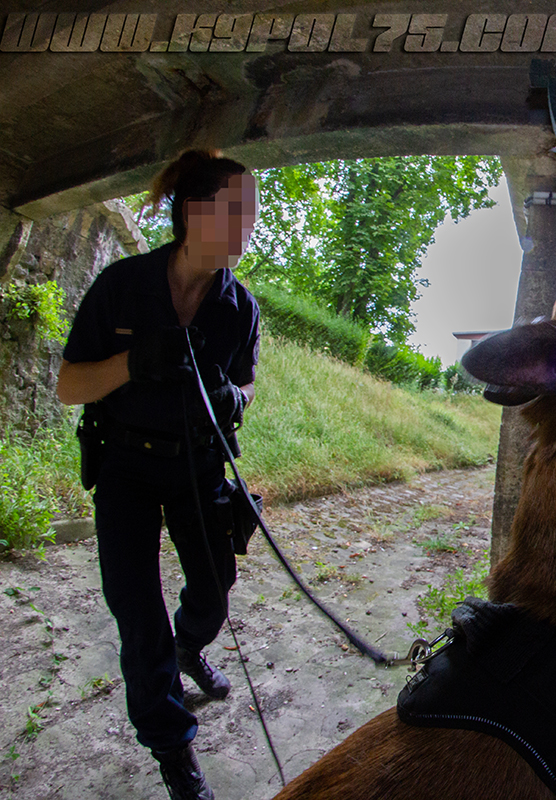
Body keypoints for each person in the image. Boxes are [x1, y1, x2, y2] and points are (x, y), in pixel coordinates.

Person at [56, 149, 261, 800]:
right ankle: (174, 752)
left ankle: (189, 647)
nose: (251, 223)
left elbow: (247, 384)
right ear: (195, 213)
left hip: (200, 467)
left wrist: (231, 399)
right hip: (126, 469)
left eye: (253, 212)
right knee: (138, 616)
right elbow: (68, 386)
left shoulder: (239, 307)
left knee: (214, 590)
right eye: (239, 209)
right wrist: (133, 361)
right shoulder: (121, 285)